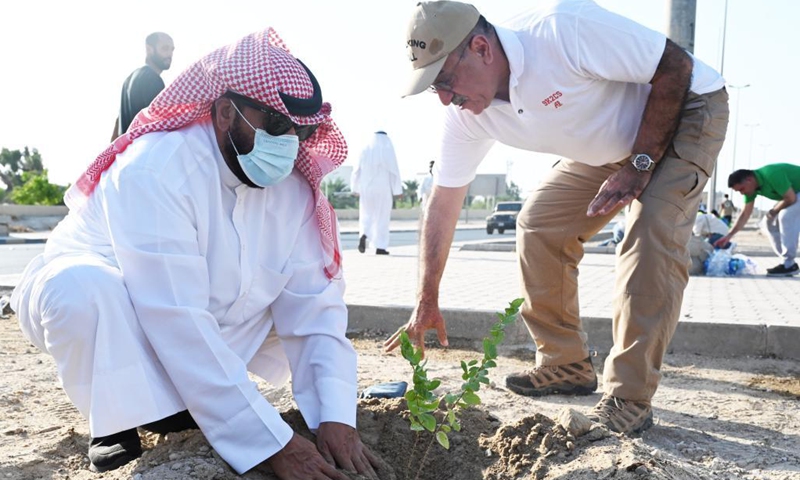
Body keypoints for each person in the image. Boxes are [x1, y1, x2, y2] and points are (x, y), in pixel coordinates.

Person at [11, 28, 378, 479]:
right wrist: (274, 447)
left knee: (290, 301)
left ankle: (183, 405)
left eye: (301, 131)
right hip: (115, 310)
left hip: (203, 318)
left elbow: (314, 308)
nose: (289, 144)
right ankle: (114, 420)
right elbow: (175, 316)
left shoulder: (292, 189)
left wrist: (336, 416)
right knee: (84, 291)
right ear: (226, 112)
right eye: (277, 126)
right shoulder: (157, 168)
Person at [385, 0, 729, 435]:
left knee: (649, 236)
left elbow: (675, 66)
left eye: (446, 80)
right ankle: (565, 363)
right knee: (539, 224)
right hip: (615, 144)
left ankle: (629, 396)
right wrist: (426, 298)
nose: (445, 99)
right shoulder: (466, 116)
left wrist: (640, 164)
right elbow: (444, 201)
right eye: (434, 87)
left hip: (687, 108)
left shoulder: (562, 30)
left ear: (480, 47)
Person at [715, 164, 800, 276]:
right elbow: (745, 214)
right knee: (768, 221)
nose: (742, 193)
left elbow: (791, 198)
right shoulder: (751, 189)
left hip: (795, 194)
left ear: (749, 180)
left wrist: (774, 211)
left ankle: (788, 264)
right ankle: (788, 262)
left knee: (785, 216)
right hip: (794, 194)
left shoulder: (771, 174)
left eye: (741, 189)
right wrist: (728, 236)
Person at [111, 32, 175, 141]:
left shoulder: (128, 80)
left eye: (172, 49)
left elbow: (118, 123)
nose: (169, 54)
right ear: (149, 49)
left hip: (128, 154)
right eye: (165, 48)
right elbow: (161, 123)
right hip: (144, 150)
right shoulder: (152, 78)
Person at [350, 131, 403, 255]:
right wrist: (397, 190)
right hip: (383, 189)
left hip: (366, 189)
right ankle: (380, 247)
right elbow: (394, 171)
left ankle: (364, 234)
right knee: (382, 217)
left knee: (366, 214)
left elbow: (356, 170)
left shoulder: (365, 149)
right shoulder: (388, 150)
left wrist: (355, 188)